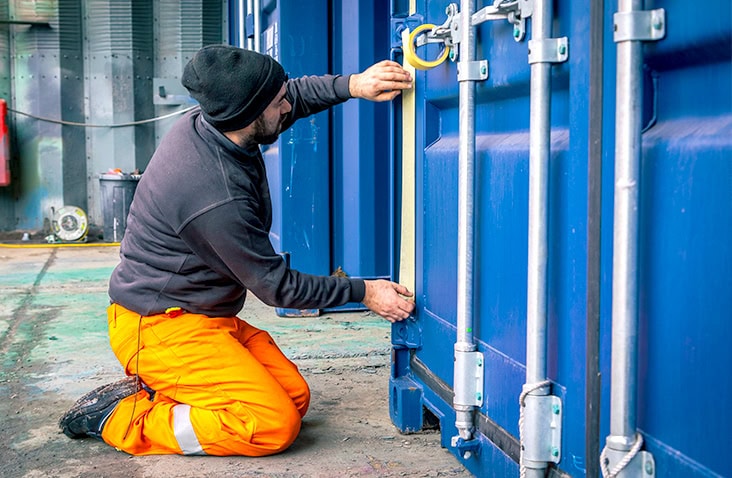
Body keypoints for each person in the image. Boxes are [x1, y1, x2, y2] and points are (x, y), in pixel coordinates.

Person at [58, 44, 415, 456]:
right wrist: (364, 292)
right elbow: (276, 287)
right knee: (271, 424)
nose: (288, 105)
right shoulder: (214, 194)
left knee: (294, 397)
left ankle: (171, 390)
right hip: (160, 326)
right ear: (248, 115)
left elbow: (290, 96)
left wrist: (354, 85)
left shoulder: (218, 121)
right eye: (278, 102)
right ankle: (121, 416)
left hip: (204, 315)